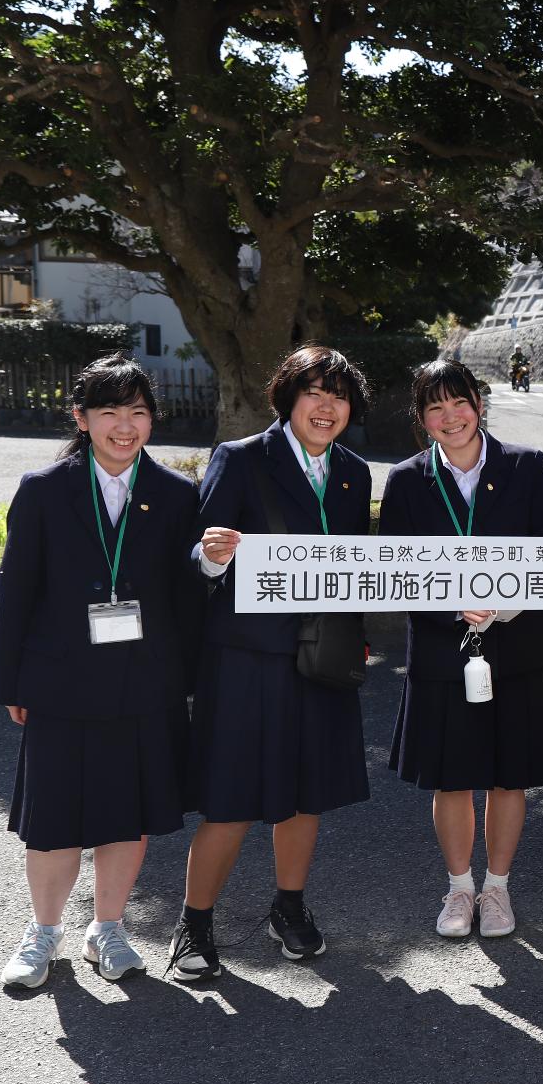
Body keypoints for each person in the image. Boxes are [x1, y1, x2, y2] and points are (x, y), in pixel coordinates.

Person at [0, 354, 201, 988]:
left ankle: (108, 928)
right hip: (59, 680)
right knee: (52, 817)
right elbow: (16, 590)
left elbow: (184, 594)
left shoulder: (175, 494)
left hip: (145, 682)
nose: (125, 426)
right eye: (109, 411)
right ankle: (43, 933)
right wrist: (13, 683)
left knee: (126, 812)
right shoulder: (44, 490)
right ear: (81, 419)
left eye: (137, 412)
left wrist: (210, 568)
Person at [171, 345, 374, 979]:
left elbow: (361, 567)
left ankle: (290, 908)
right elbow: (191, 560)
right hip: (245, 658)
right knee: (230, 799)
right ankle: (194, 924)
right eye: (313, 392)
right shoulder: (240, 458)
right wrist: (211, 555)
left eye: (338, 396)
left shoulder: (353, 472)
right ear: (287, 398)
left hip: (322, 657)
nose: (326, 406)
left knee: (305, 795)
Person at [379, 360, 543, 940]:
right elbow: (394, 573)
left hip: (514, 644)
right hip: (442, 648)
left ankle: (498, 890)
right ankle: (460, 888)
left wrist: (505, 602)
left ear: (478, 404)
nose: (449, 416)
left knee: (509, 776)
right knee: (451, 778)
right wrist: (452, 606)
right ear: (421, 420)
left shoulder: (526, 467)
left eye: (457, 402)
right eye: (434, 408)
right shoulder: (408, 480)